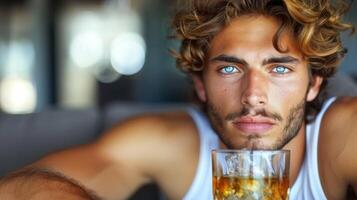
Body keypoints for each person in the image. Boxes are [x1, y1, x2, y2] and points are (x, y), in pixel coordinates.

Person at [0, 0, 356, 199]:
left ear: (314, 84)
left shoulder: (343, 134)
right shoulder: (169, 141)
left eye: (279, 70)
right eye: (230, 69)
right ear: (200, 85)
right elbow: (22, 188)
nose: (253, 96)